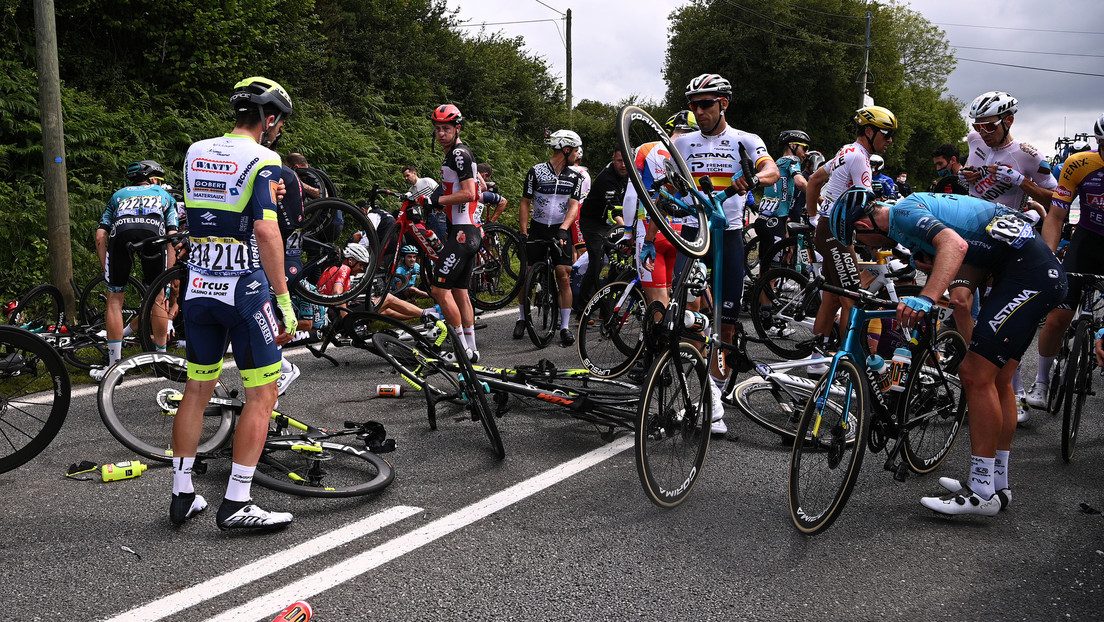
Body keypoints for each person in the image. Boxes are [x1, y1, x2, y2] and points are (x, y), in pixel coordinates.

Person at [831, 188, 1065, 516]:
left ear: (864, 222)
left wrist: (926, 297)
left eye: (858, 238)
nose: (865, 247)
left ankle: (980, 490)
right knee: (999, 381)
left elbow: (955, 245)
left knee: (974, 374)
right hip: (1030, 270)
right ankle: (997, 484)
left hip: (1028, 275)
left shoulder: (904, 213)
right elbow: (965, 268)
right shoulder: (914, 214)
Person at [172, 76, 298, 531]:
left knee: (196, 390)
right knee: (261, 395)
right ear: (269, 119)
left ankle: (183, 493)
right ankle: (237, 502)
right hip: (243, 287)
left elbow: (208, 209)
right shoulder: (265, 157)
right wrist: (283, 300)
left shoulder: (194, 150)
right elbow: (265, 231)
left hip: (198, 286)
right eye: (278, 123)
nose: (277, 130)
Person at [673, 73, 780, 433]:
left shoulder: (745, 140)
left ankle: (716, 392)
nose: (699, 111)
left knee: (727, 320)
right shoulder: (684, 141)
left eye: (706, 104)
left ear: (724, 104)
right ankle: (697, 389)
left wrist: (752, 179)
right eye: (694, 105)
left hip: (730, 235)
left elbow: (771, 169)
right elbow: (660, 168)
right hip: (694, 232)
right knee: (688, 311)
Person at [960, 91, 1057, 421]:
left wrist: (1022, 183)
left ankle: (1014, 394)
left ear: (1008, 121)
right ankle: (973, 375)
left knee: (1000, 317)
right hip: (973, 231)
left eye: (989, 127)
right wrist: (966, 176)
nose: (983, 133)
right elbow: (970, 177)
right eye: (979, 126)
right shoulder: (975, 139)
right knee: (960, 302)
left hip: (1006, 241)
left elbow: (1056, 197)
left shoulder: (1027, 154)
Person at [804, 104, 897, 371]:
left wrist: (814, 218)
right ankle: (849, 362)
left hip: (829, 228)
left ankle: (816, 358)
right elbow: (867, 205)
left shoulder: (847, 151)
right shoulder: (860, 158)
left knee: (833, 297)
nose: (889, 140)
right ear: (869, 131)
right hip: (835, 231)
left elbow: (813, 181)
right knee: (852, 299)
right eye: (886, 134)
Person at [1024, 114, 1104, 411]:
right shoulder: (1079, 164)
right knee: (1058, 316)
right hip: (1088, 240)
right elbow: (1056, 215)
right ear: (1098, 142)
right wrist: (1046, 258)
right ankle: (1042, 382)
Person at [90, 160, 179, 381]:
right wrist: (168, 275)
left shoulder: (118, 195)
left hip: (121, 235)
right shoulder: (164, 195)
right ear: (152, 178)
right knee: (158, 299)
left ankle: (113, 368)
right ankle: (161, 361)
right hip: (154, 236)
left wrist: (107, 268)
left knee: (114, 300)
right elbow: (172, 237)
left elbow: (100, 235)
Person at [418, 104, 485, 360]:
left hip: (463, 232)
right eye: (437, 128)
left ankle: (461, 350)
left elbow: (468, 193)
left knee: (439, 291)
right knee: (460, 292)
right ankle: (472, 349)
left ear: (457, 128)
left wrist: (435, 201)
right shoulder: (455, 154)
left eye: (446, 128)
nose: (440, 133)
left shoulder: (459, 154)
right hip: (467, 232)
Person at [514, 129, 585, 346]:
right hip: (537, 228)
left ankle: (563, 326)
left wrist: (564, 228)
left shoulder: (576, 176)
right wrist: (523, 232)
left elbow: (574, 206)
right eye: (575, 149)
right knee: (526, 275)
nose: (578, 153)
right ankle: (521, 318)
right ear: (565, 149)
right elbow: (526, 202)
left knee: (563, 275)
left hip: (559, 230)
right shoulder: (536, 172)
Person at [575, 146, 628, 313]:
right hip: (593, 222)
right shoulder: (606, 178)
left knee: (619, 261)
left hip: (611, 222)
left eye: (626, 161)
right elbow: (615, 211)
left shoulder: (630, 175)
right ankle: (583, 307)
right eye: (619, 161)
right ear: (613, 160)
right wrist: (627, 232)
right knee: (597, 259)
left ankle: (608, 308)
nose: (623, 165)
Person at [402, 165, 446, 243]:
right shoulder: (411, 191)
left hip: (438, 214)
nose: (406, 178)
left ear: (414, 173)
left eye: (408, 175)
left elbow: (440, 194)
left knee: (442, 239)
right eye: (405, 176)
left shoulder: (427, 181)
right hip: (427, 218)